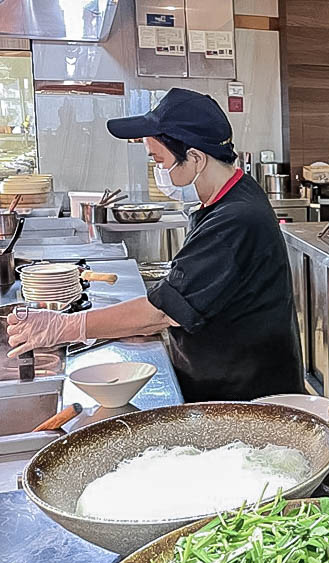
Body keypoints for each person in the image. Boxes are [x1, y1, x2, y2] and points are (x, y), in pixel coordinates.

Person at [6, 88, 304, 402]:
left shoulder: (235, 219)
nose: (158, 171)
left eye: (159, 161)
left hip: (249, 396)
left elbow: (164, 312)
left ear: (195, 158)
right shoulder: (231, 194)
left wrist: (67, 327)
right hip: (227, 379)